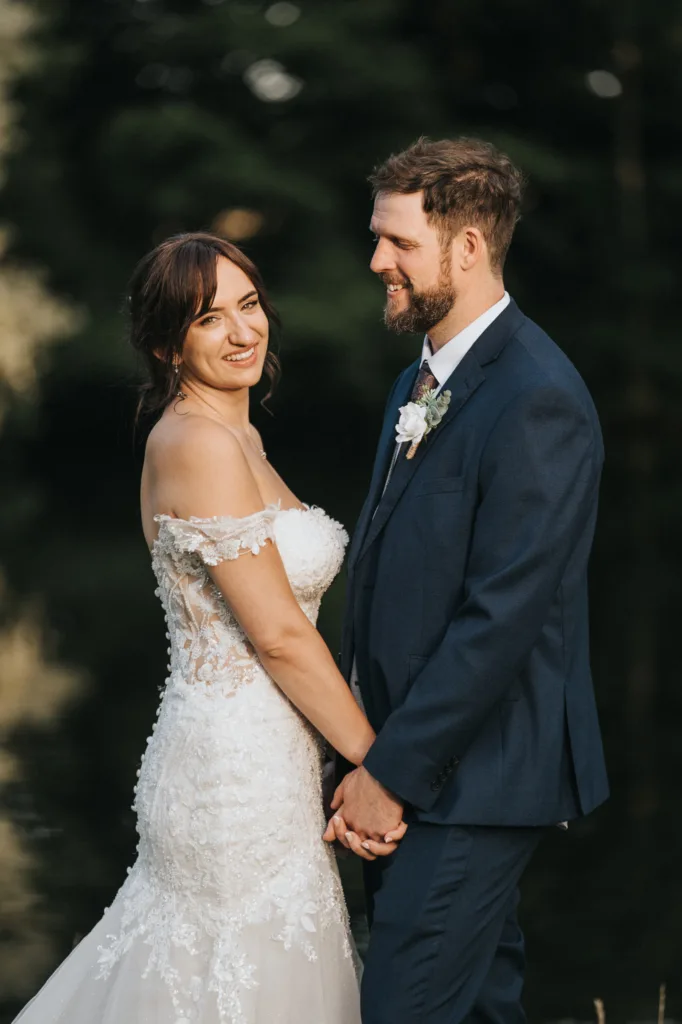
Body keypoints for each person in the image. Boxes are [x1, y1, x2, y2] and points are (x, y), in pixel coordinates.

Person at [11, 232, 406, 1024]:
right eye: (208, 320)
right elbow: (281, 636)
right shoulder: (195, 443)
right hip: (232, 776)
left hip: (271, 757)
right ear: (166, 345)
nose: (242, 332)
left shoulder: (238, 434)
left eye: (249, 305)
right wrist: (384, 765)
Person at [325, 137, 610, 1024]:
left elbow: (503, 614)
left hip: (471, 778)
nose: (378, 261)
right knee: (481, 1008)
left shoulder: (537, 395)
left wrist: (392, 772)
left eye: (399, 243)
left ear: (469, 247)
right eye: (379, 238)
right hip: (417, 769)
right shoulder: (421, 381)